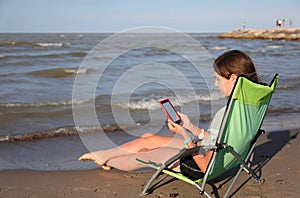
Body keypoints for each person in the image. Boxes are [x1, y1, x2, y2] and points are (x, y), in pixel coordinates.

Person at [79, 50, 259, 179]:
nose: (215, 85)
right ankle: (103, 155)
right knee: (148, 138)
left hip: (197, 165)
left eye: (218, 79)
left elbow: (205, 166)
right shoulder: (248, 108)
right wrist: (189, 127)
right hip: (213, 154)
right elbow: (218, 139)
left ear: (233, 78)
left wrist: (184, 135)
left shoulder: (227, 114)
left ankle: (109, 161)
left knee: (144, 154)